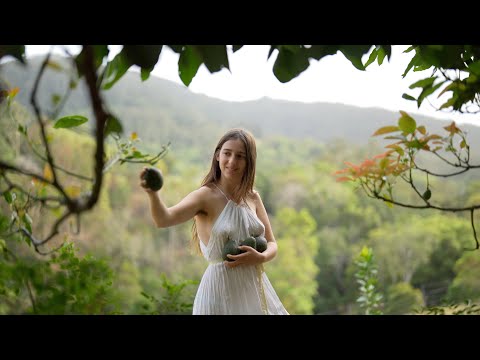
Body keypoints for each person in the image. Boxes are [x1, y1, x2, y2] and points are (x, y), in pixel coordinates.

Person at [140, 128, 289, 315]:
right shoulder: (205, 196)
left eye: (240, 156)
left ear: (249, 161)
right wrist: (153, 193)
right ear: (218, 155)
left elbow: (272, 243)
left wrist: (261, 257)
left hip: (253, 291)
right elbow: (163, 219)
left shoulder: (252, 197)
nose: (232, 161)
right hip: (218, 293)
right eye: (227, 153)